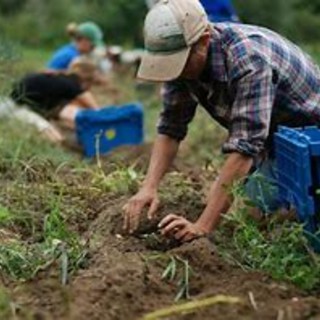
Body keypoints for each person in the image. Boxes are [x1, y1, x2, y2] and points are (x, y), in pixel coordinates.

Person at [123, 0, 320, 242]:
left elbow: (244, 147)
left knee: (252, 217)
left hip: (310, 137)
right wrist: (148, 187)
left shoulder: (248, 59)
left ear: (204, 40)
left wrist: (202, 227)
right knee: (248, 215)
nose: (178, 71)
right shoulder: (183, 64)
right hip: (275, 137)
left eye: (182, 61)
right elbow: (171, 126)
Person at [5, 57, 99, 143]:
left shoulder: (60, 78)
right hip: (15, 109)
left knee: (60, 128)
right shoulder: (72, 86)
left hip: (13, 104)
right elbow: (96, 110)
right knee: (56, 139)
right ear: (87, 79)